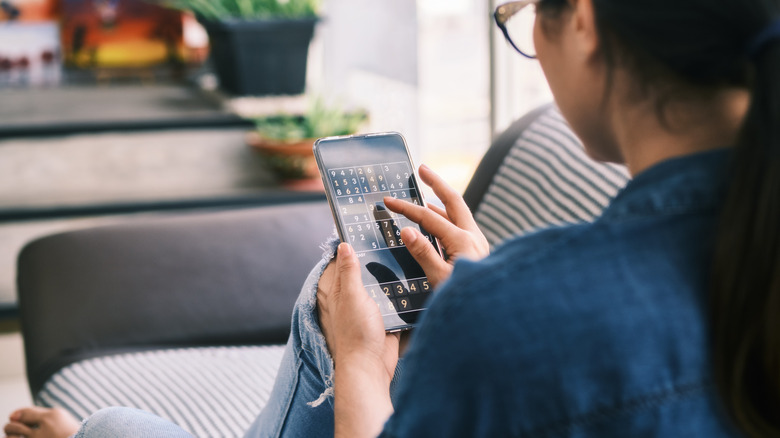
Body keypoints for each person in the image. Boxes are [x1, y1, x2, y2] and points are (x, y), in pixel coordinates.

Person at [5, 0, 780, 436]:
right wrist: (485, 286)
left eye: (521, 17)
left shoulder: (516, 318)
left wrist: (358, 365)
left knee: (117, 428)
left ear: (582, 18)